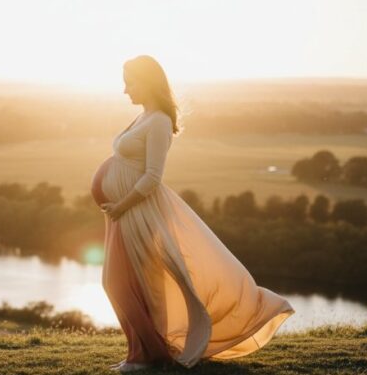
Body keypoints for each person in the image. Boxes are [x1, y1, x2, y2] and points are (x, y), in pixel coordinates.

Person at [90, 55, 295, 372]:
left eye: (129, 81)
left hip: (138, 212)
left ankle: (145, 357)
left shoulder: (158, 120)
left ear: (146, 82)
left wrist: (122, 204)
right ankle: (145, 353)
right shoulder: (143, 117)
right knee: (124, 283)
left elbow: (153, 176)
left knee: (121, 284)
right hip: (123, 213)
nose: (124, 90)